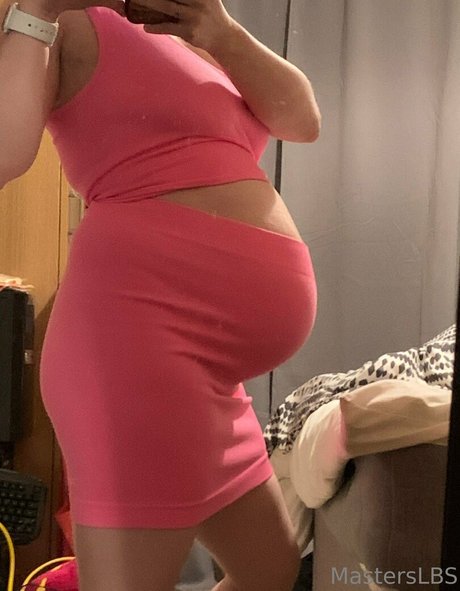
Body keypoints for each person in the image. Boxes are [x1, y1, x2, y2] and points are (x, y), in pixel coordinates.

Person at [0, 0, 321, 589]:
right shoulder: (60, 22)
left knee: (270, 572)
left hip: (210, 379)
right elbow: (5, 153)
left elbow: (302, 120)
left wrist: (222, 32)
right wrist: (37, 7)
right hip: (136, 346)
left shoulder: (196, 32)